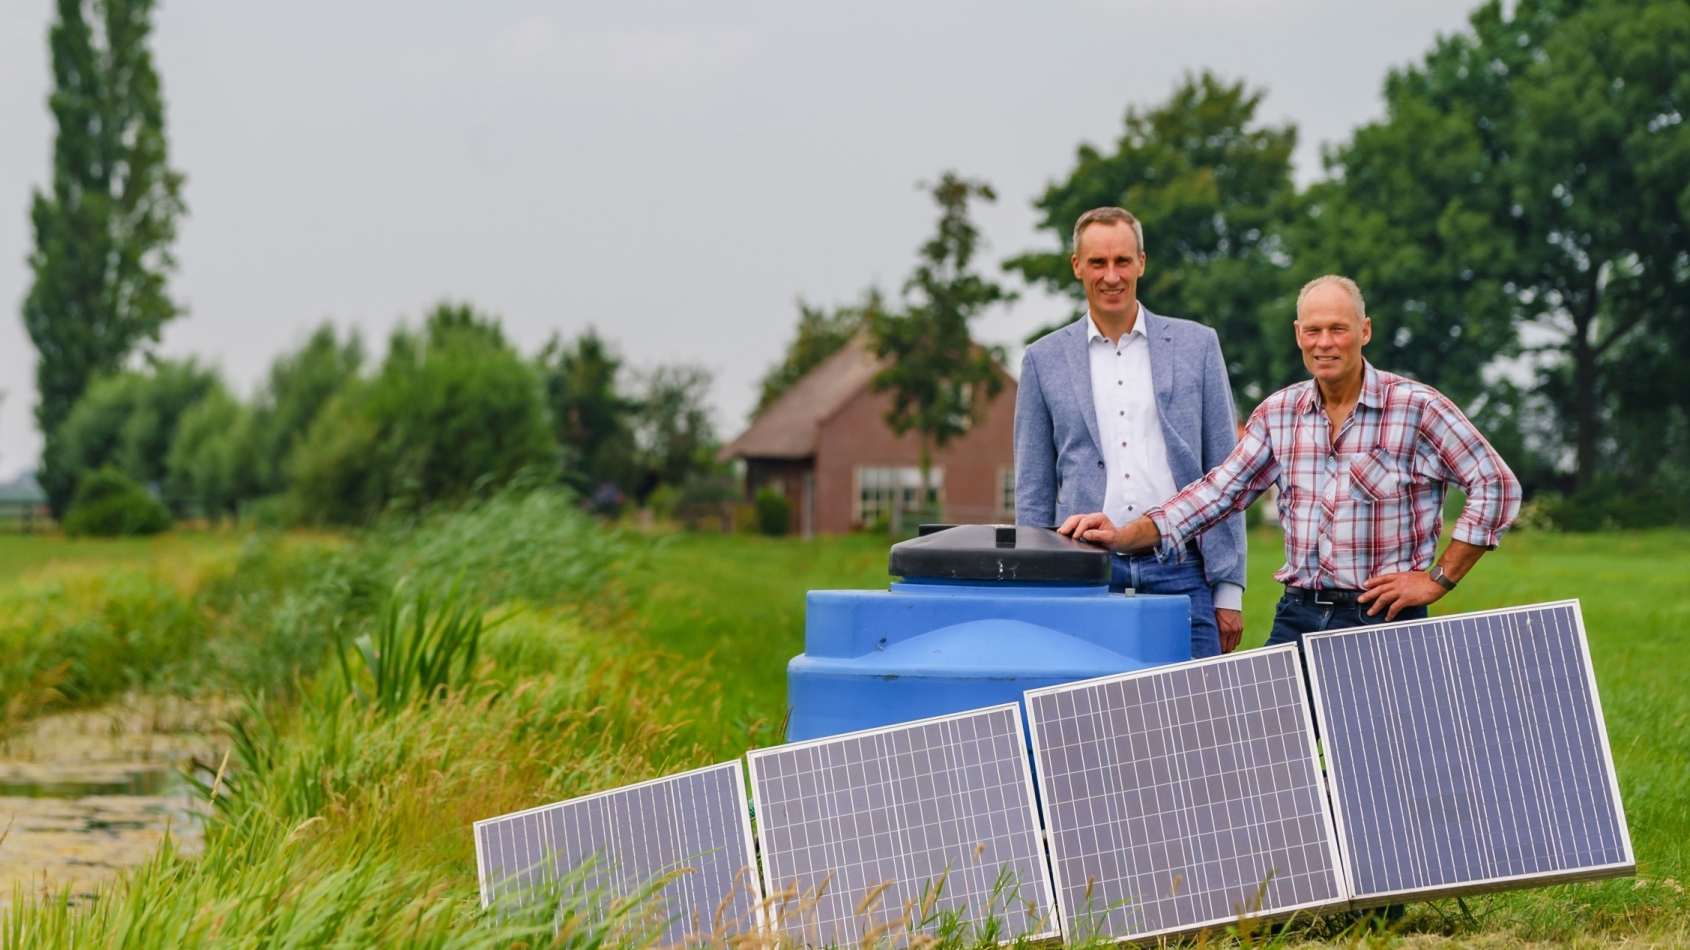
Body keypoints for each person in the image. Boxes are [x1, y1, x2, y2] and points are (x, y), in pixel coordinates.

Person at [1058, 274, 1522, 648]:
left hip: (1384, 619)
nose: (1325, 342)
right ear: (1298, 334)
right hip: (1299, 614)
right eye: (1313, 330)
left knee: (1376, 760)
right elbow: (1214, 494)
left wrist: (1438, 579)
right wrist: (1123, 534)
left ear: (1364, 331)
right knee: (1269, 755)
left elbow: (1497, 486)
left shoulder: (1417, 408)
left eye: (1338, 329)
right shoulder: (1279, 414)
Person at [1015, 207, 1248, 657]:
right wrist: (1034, 583)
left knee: (1197, 719)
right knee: (1087, 722)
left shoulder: (1198, 346)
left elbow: (1226, 473)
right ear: (1077, 266)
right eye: (1098, 263)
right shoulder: (1042, 360)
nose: (1111, 276)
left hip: (1182, 571)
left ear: (1141, 262)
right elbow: (1033, 489)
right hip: (1083, 574)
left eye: (1122, 261)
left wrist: (1228, 590)